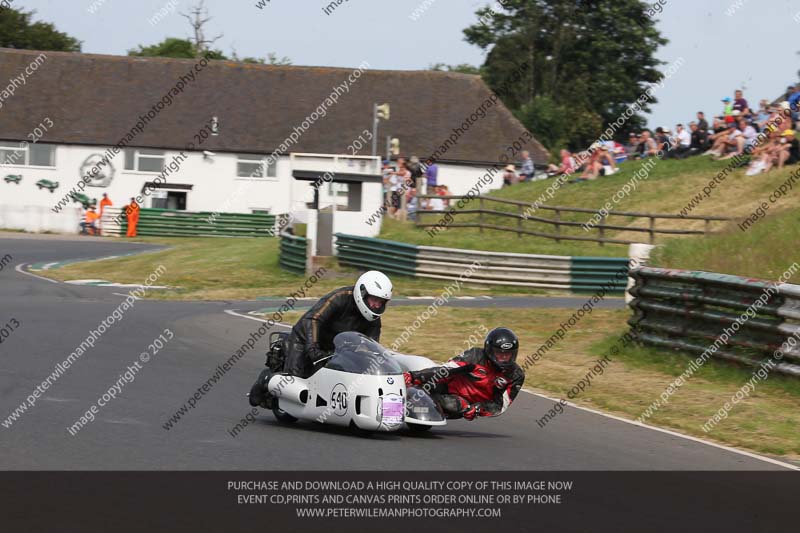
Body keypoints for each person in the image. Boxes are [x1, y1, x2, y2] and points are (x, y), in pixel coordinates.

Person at [248, 271, 393, 408]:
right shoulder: (340, 298)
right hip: (305, 339)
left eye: (381, 302)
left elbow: (371, 346)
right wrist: (313, 348)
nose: (376, 305)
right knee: (295, 381)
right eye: (374, 300)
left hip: (336, 349)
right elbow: (313, 319)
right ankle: (266, 380)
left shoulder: (374, 320)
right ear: (362, 293)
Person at [403, 328, 525, 420]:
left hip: (466, 404)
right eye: (500, 353)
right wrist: (415, 376)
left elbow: (500, 406)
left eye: (508, 354)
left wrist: (478, 409)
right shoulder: (475, 356)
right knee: (420, 387)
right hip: (447, 386)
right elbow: (447, 369)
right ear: (490, 350)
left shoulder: (515, 375)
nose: (504, 358)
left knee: (452, 405)